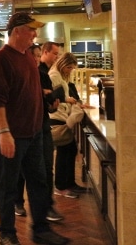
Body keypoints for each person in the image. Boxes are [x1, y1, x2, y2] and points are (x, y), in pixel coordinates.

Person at [0, 12, 69, 245]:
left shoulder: (26, 57)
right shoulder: (1, 59)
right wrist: (4, 133)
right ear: (17, 31)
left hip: (33, 133)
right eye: (31, 30)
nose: (35, 34)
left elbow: (30, 92)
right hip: (12, 134)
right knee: (8, 186)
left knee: (39, 182)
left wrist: (48, 102)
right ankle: (7, 233)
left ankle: (41, 230)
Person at [15, 42, 64, 221]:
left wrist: (52, 104)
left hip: (43, 125)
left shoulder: (43, 74)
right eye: (33, 56)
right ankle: (18, 202)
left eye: (37, 56)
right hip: (25, 127)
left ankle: (47, 206)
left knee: (46, 167)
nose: (35, 59)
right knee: (22, 168)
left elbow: (49, 107)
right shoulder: (20, 74)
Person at [49, 52, 87, 199]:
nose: (70, 70)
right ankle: (61, 186)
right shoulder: (54, 75)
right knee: (65, 151)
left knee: (69, 150)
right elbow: (54, 97)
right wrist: (69, 100)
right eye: (69, 67)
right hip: (57, 118)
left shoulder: (59, 75)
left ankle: (69, 183)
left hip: (62, 117)